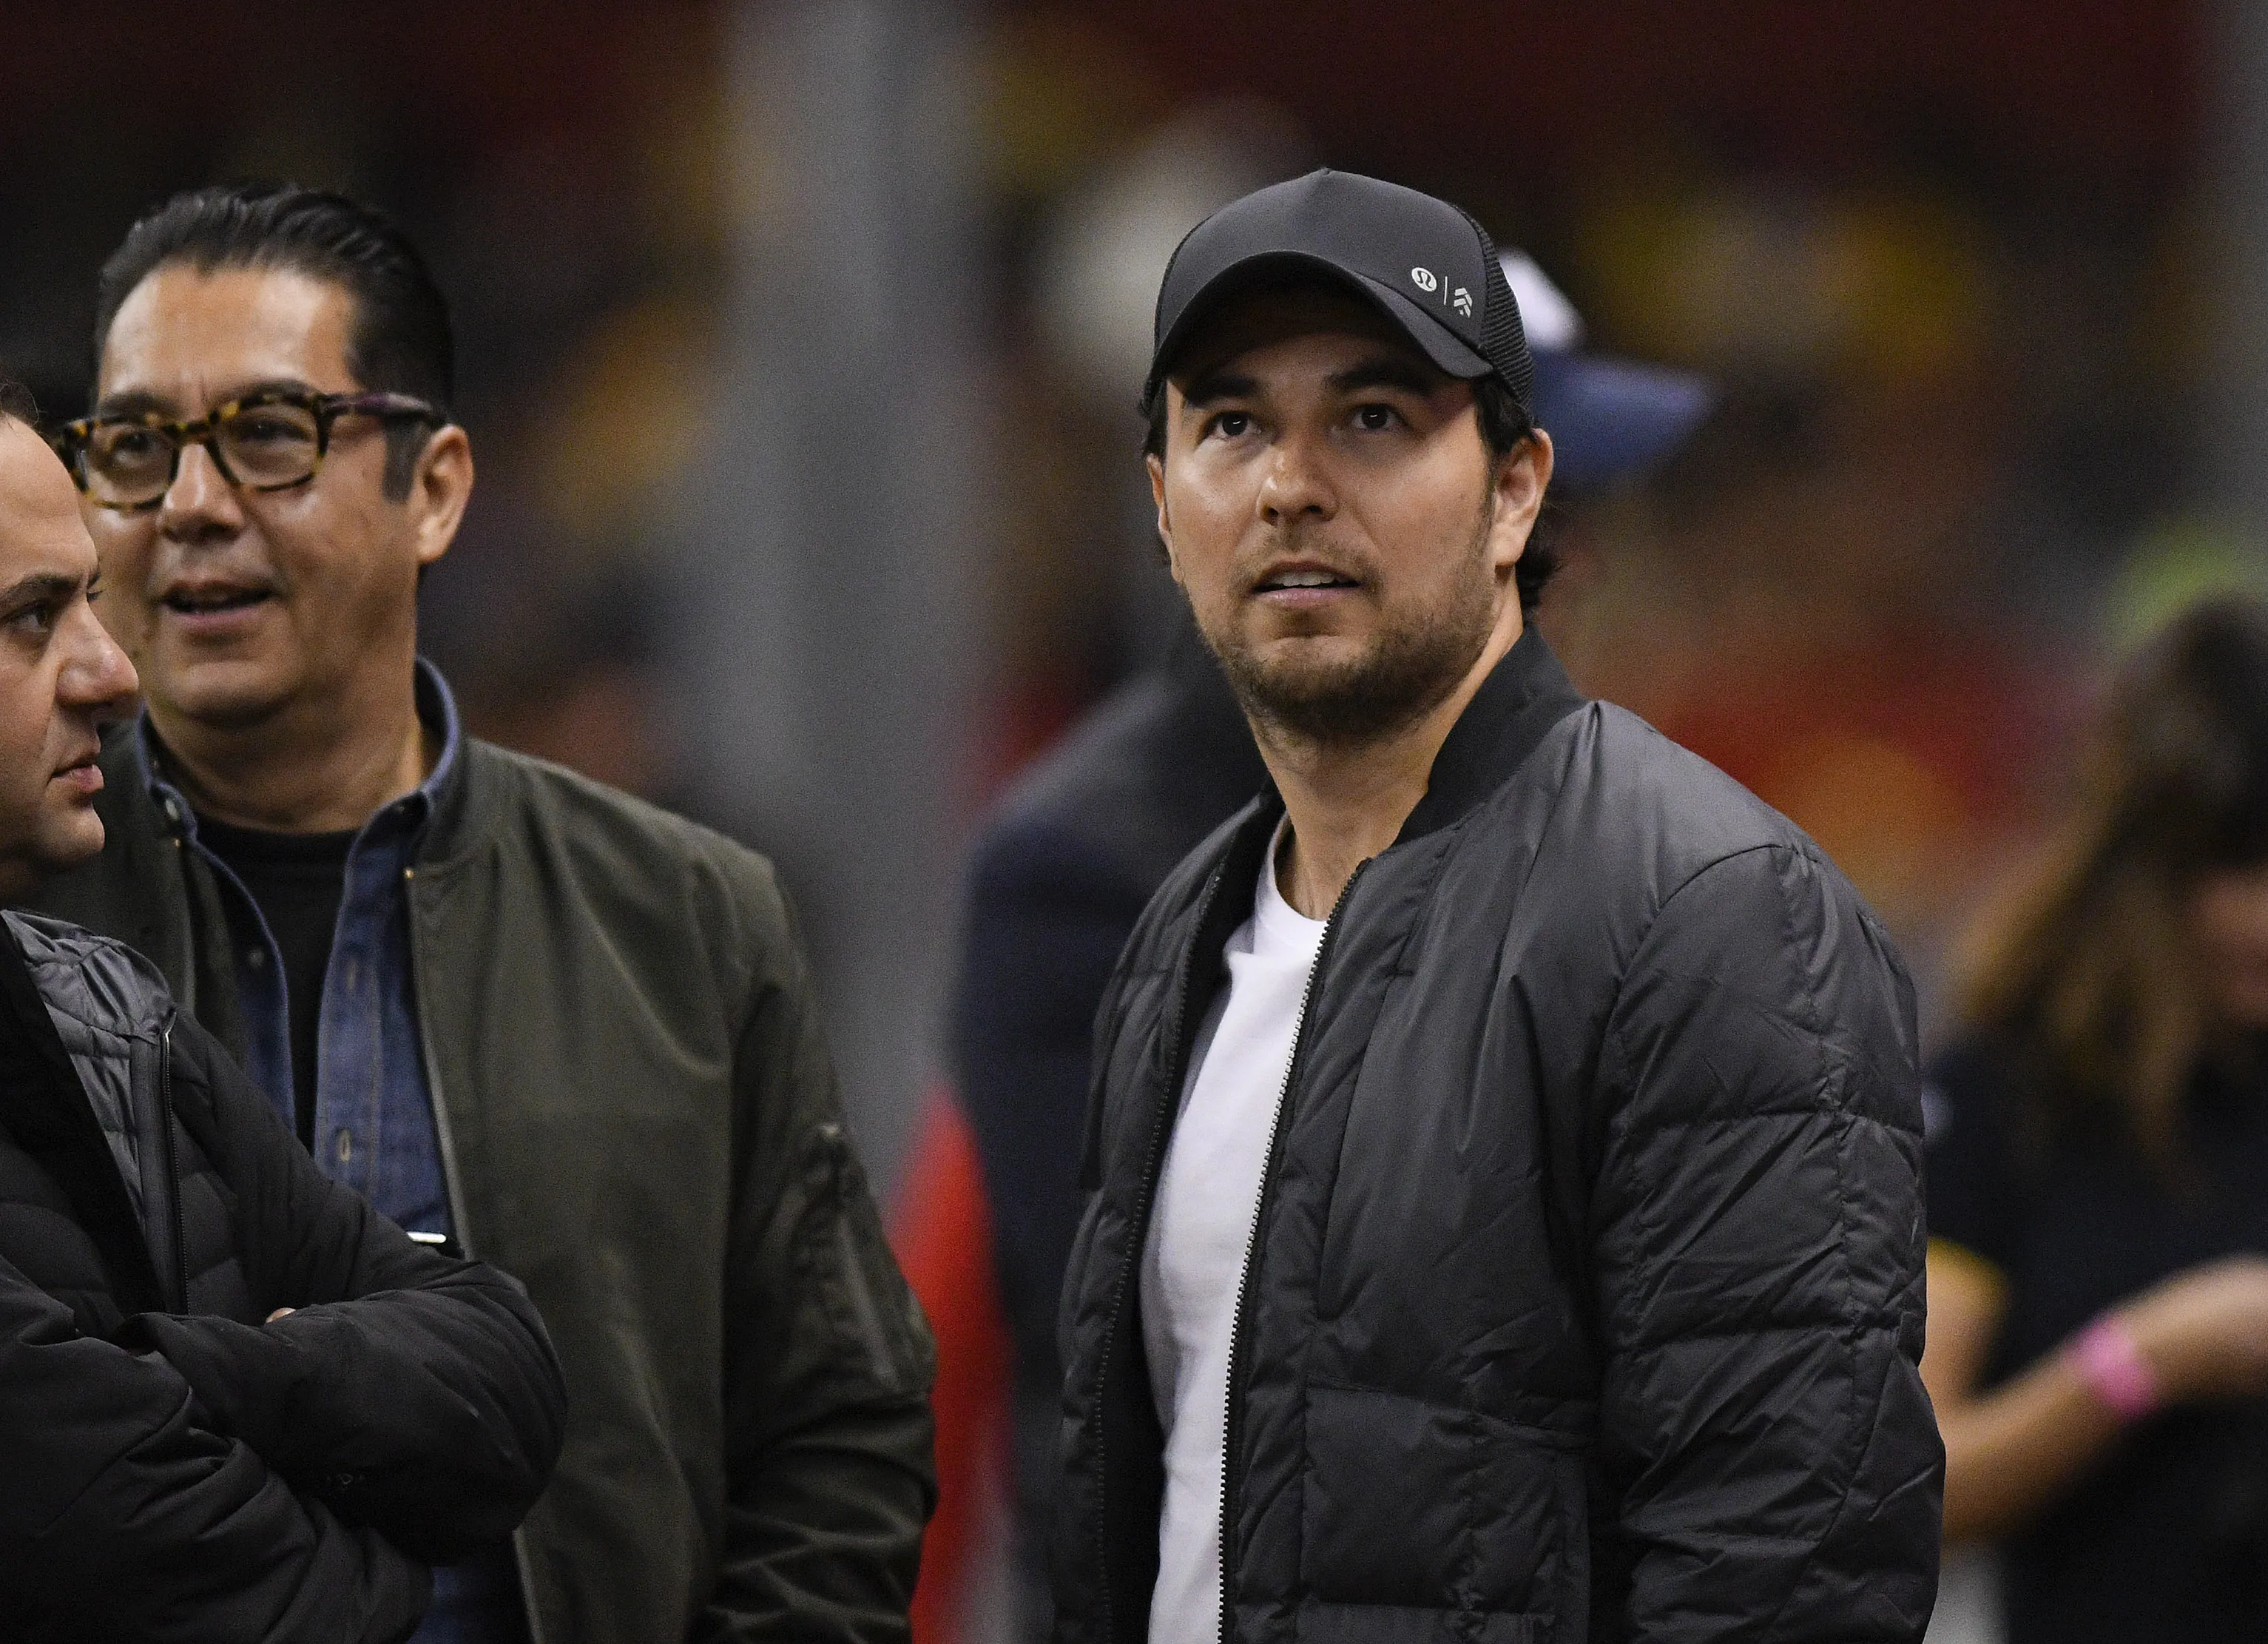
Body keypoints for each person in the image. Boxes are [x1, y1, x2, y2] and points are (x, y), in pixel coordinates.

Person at [30, 184, 935, 1644]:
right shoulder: (23, 914)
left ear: (436, 487)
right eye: (134, 448)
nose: (190, 506)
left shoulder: (691, 924)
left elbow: (839, 1435)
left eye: (270, 435)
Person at [1050, 169, 1940, 1642]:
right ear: (1161, 505)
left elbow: (1789, 1575)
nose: (1288, 485)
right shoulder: (1181, 938)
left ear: (1519, 488)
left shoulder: (1708, 916)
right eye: (1229, 425)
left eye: (1375, 420)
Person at [951, 248, 1708, 1640]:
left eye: (1567, 498)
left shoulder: (1643, 857)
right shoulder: (1101, 866)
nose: (1574, 552)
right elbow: (1130, 1356)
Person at [0, 383, 564, 1639]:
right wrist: (381, 1552)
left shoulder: (102, 1012)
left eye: (90, 598)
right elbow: (233, 1597)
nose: (112, 670)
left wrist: (199, 1372)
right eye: (34, 617)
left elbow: (508, 1370)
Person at [1922, 598, 2268, 1644]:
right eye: (2245, 866)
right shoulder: (2011, 1097)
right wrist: (2142, 1361)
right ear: (2152, 855)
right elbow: (1909, 1484)